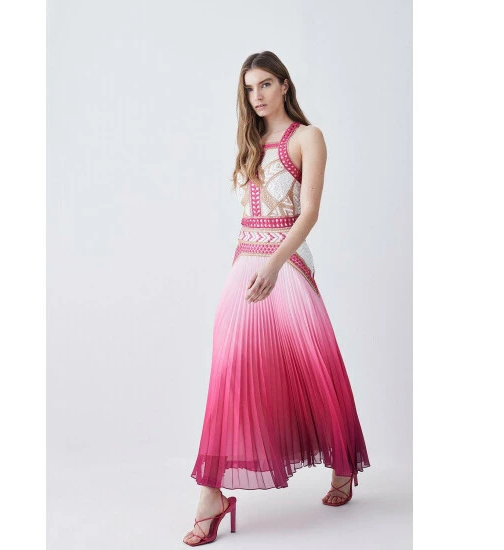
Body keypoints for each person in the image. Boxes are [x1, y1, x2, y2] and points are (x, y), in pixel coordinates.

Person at [183, 51, 371, 546]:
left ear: (285, 85)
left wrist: (273, 264)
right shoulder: (250, 141)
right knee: (229, 370)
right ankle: (211, 495)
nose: (257, 96)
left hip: (286, 262)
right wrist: (252, 266)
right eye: (249, 88)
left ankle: (343, 464)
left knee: (314, 366)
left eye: (265, 84)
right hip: (244, 263)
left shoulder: (307, 137)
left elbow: (309, 213)